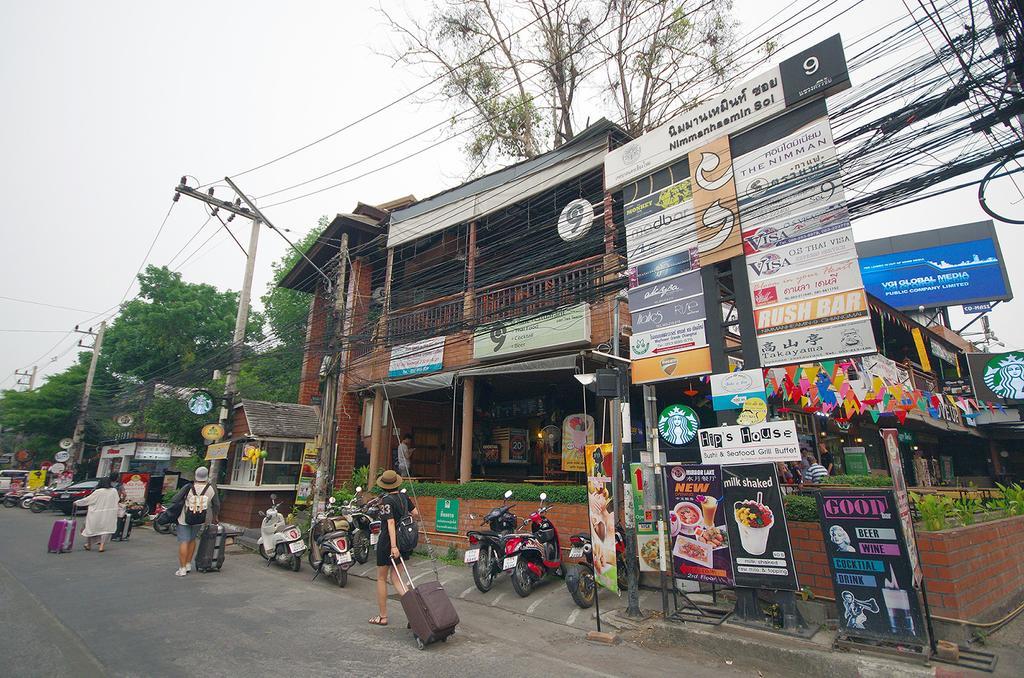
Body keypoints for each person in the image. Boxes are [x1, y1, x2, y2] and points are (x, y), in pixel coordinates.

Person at [368, 470, 418, 627]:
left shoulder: (386, 501)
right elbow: (415, 513)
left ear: (384, 486)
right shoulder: (404, 497)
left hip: (389, 543)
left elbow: (389, 523)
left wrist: (393, 546)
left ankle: (383, 617)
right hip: (403, 541)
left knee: (382, 579)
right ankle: (415, 613)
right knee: (397, 578)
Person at [169, 466, 220, 577]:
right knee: (192, 540)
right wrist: (215, 516)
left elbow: (175, 499)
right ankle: (188, 564)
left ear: (195, 475)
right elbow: (216, 504)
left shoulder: (189, 487)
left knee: (184, 541)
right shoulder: (211, 489)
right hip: (199, 518)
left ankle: (182, 568)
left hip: (184, 518)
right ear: (206, 477)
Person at [74, 477, 120, 553]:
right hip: (109, 513)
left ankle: (89, 545)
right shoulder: (114, 491)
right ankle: (102, 546)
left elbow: (88, 500)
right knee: (105, 529)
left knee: (91, 529)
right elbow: (117, 500)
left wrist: (77, 502)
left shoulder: (98, 492)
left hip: (96, 513)